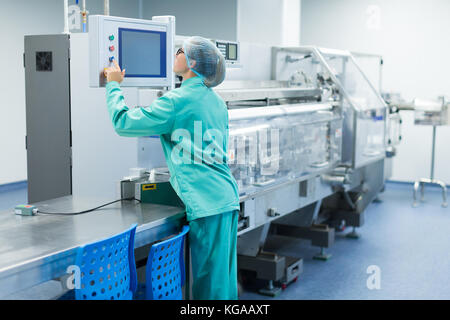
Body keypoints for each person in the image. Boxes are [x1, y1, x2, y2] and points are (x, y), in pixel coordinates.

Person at [104, 36, 240, 300]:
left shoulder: (176, 101)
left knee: (209, 288)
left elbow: (123, 123)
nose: (174, 55)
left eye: (179, 51)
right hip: (226, 197)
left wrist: (112, 85)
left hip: (207, 203)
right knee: (223, 283)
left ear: (191, 62)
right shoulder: (217, 102)